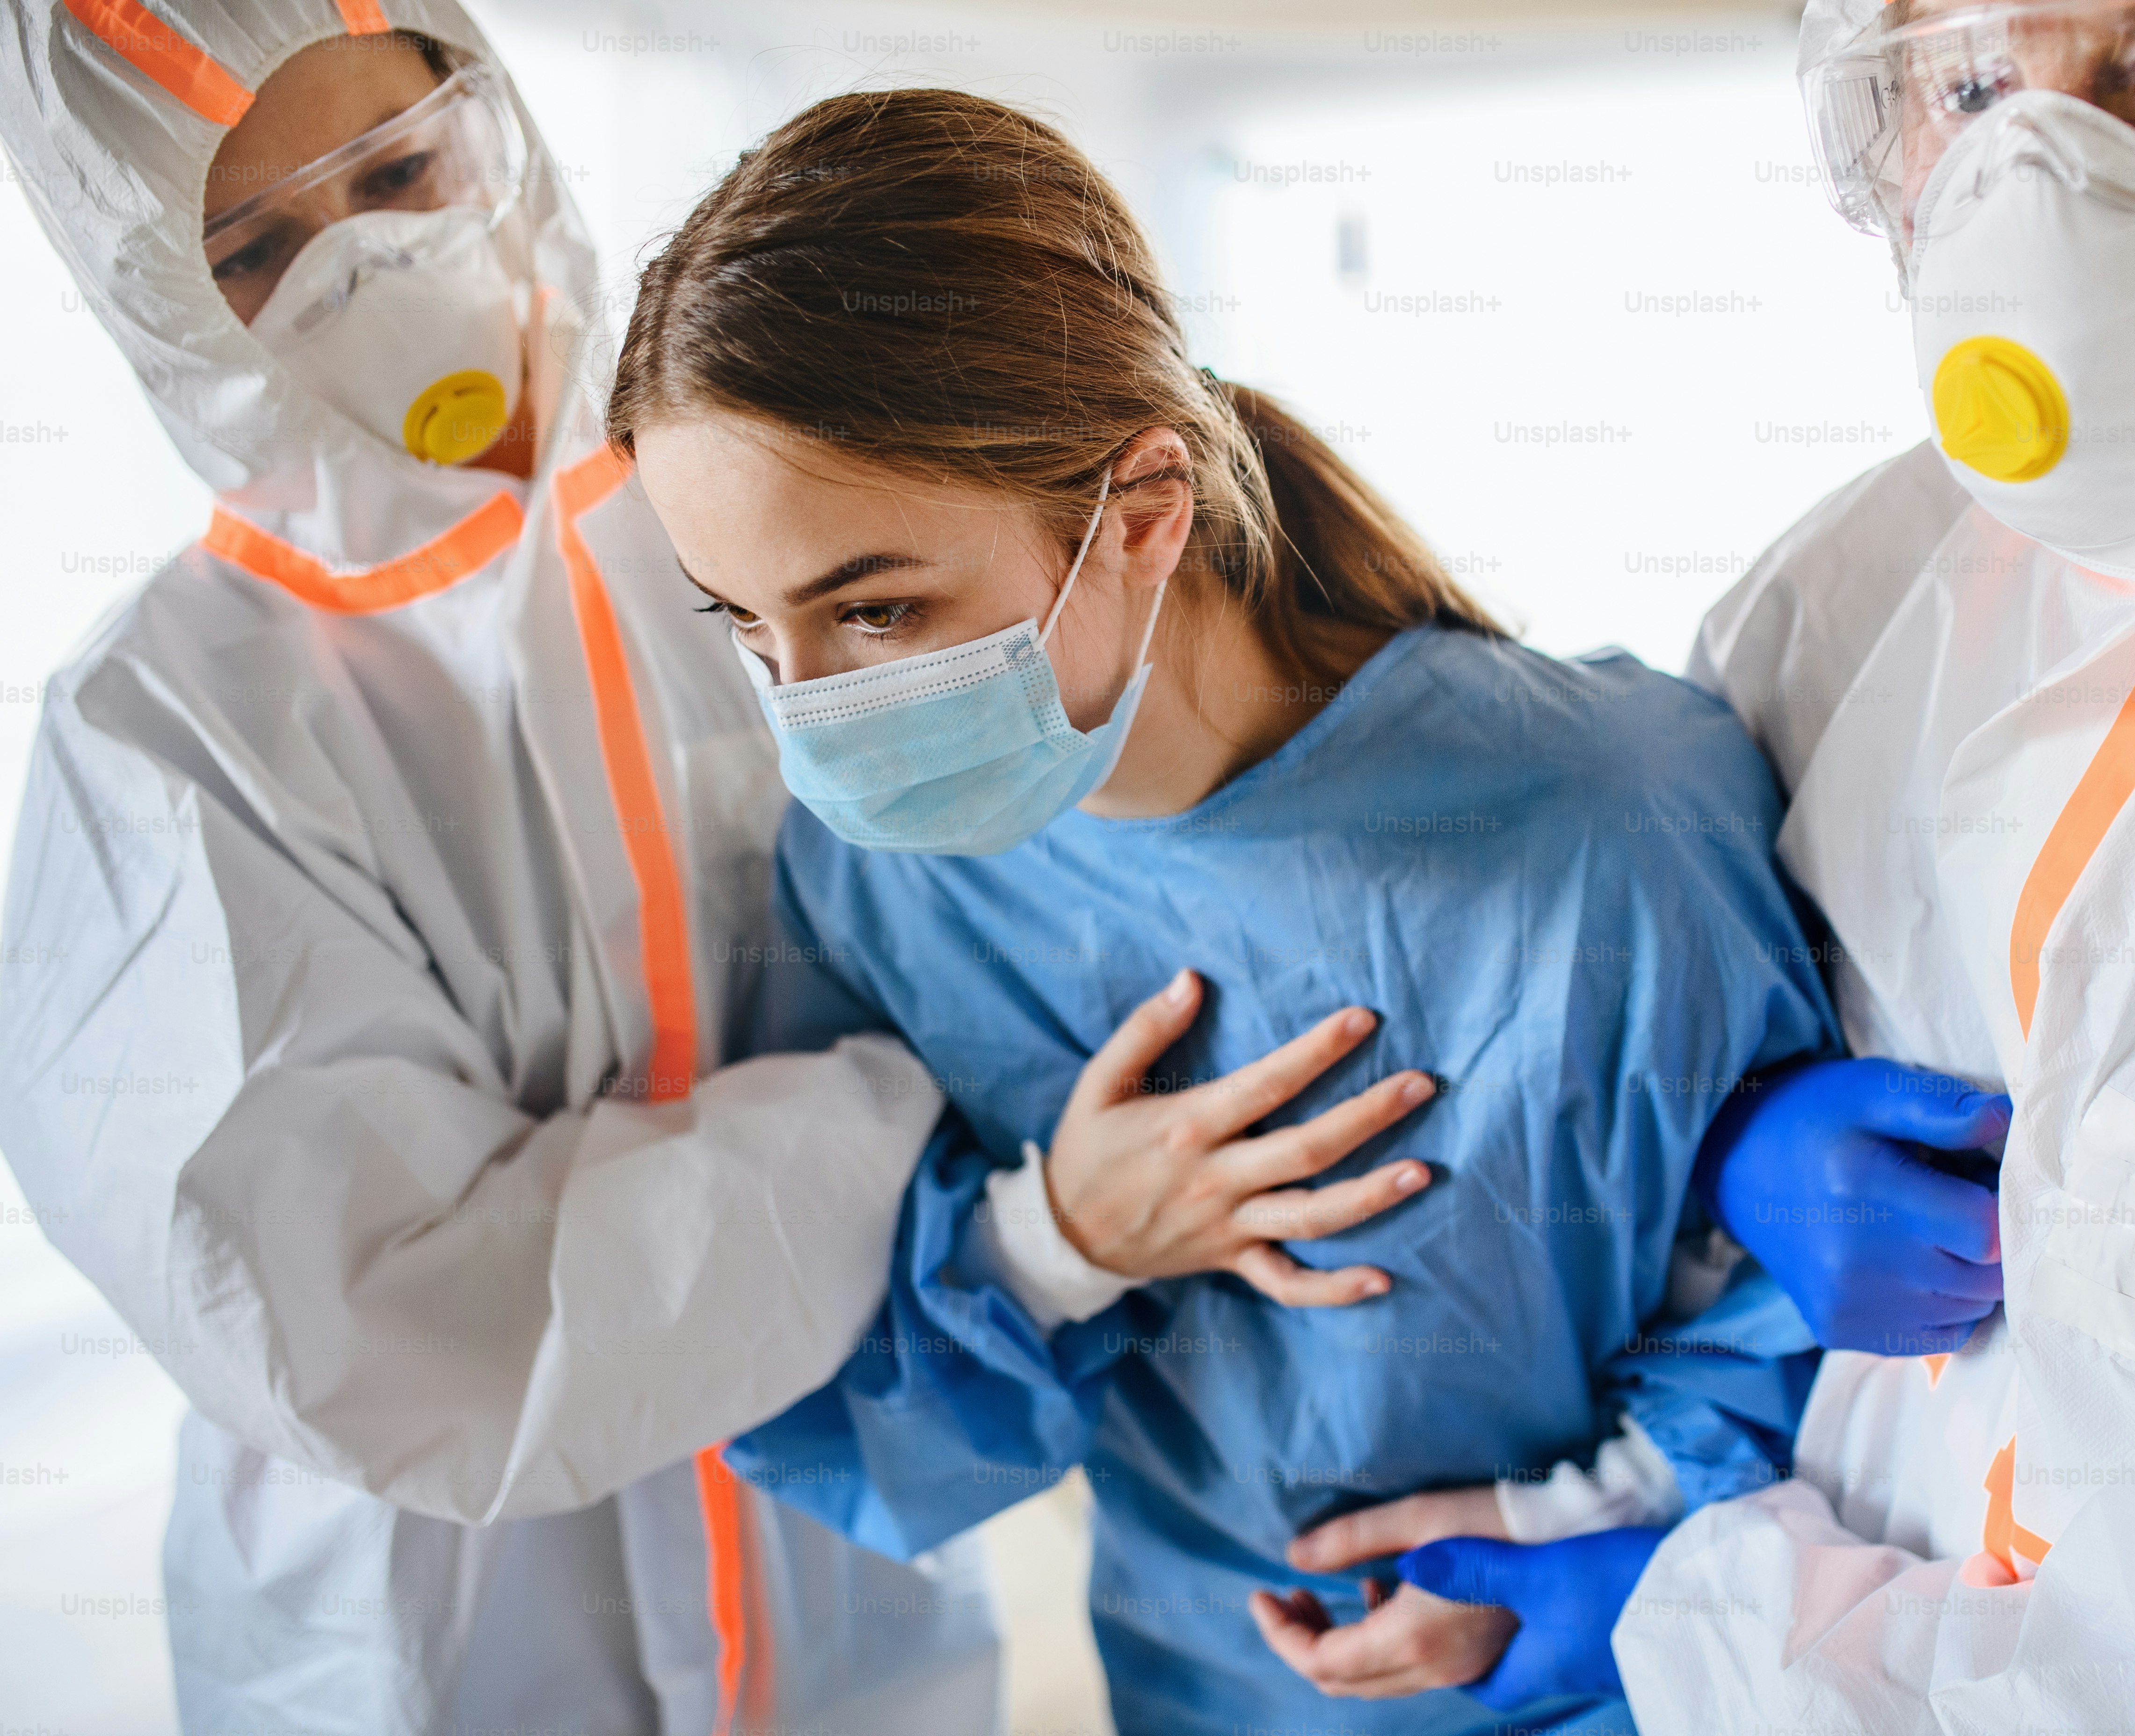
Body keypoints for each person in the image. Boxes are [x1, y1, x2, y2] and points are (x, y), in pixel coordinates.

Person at [0, 8, 1435, 1731]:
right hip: (447, 1645)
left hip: (860, 1579)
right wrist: (966, 1191)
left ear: (493, 117)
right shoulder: (162, 739)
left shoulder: (748, 506)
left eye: (398, 174)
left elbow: (1045, 917)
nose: (369, 267)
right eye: (259, 247)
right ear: (154, 294)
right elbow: (387, 1330)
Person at [601, 87, 2011, 1736]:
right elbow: (841, 1400)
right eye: (747, 632)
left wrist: (1578, 1535)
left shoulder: (1607, 818)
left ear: (1139, 513)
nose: (813, 713)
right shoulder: (875, 886)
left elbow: (1808, 1347)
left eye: (879, 611)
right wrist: (1061, 1242)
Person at [1377, 0, 2135, 1728]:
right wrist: (1717, 1152)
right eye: (1966, 86)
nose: (2035, 185)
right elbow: (1608, 1106)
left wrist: (1717, 1636)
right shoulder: (1853, 595)